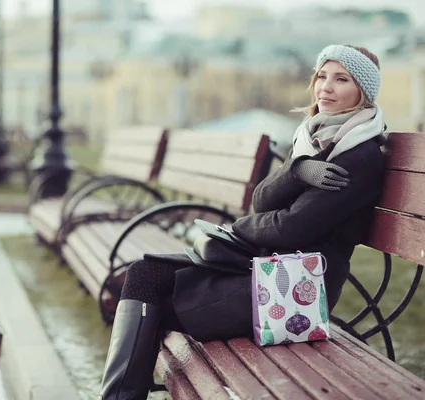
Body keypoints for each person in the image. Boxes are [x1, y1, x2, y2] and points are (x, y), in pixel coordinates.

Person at [97, 44, 388, 400]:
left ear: (363, 91)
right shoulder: (314, 138)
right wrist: (296, 170)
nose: (326, 87)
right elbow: (262, 200)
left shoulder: (360, 155)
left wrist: (237, 228)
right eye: (322, 76)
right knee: (145, 273)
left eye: (341, 79)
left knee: (154, 304)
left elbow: (292, 228)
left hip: (296, 289)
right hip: (263, 266)